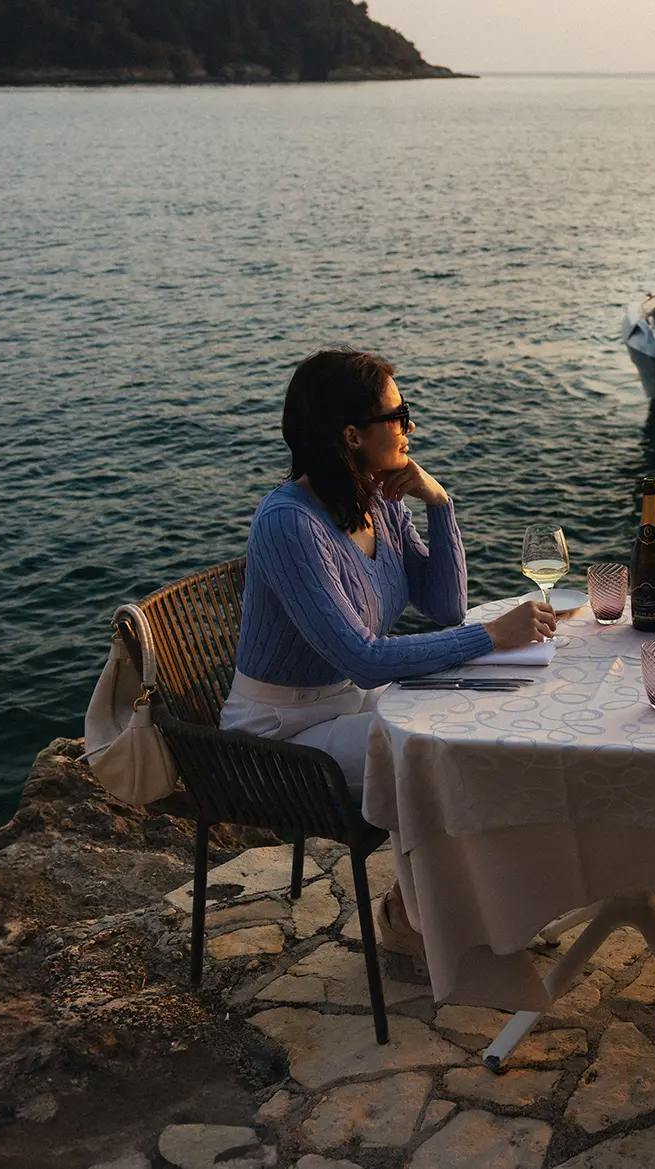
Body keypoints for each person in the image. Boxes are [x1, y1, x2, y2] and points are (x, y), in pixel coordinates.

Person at [223, 347, 555, 973]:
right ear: (352, 435)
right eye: (399, 415)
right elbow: (365, 658)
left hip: (348, 701)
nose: (410, 426)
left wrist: (439, 502)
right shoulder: (289, 524)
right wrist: (493, 637)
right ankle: (413, 919)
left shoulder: (378, 500)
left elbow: (446, 607)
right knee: (430, 756)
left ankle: (466, 907)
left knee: (482, 719)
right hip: (278, 731)